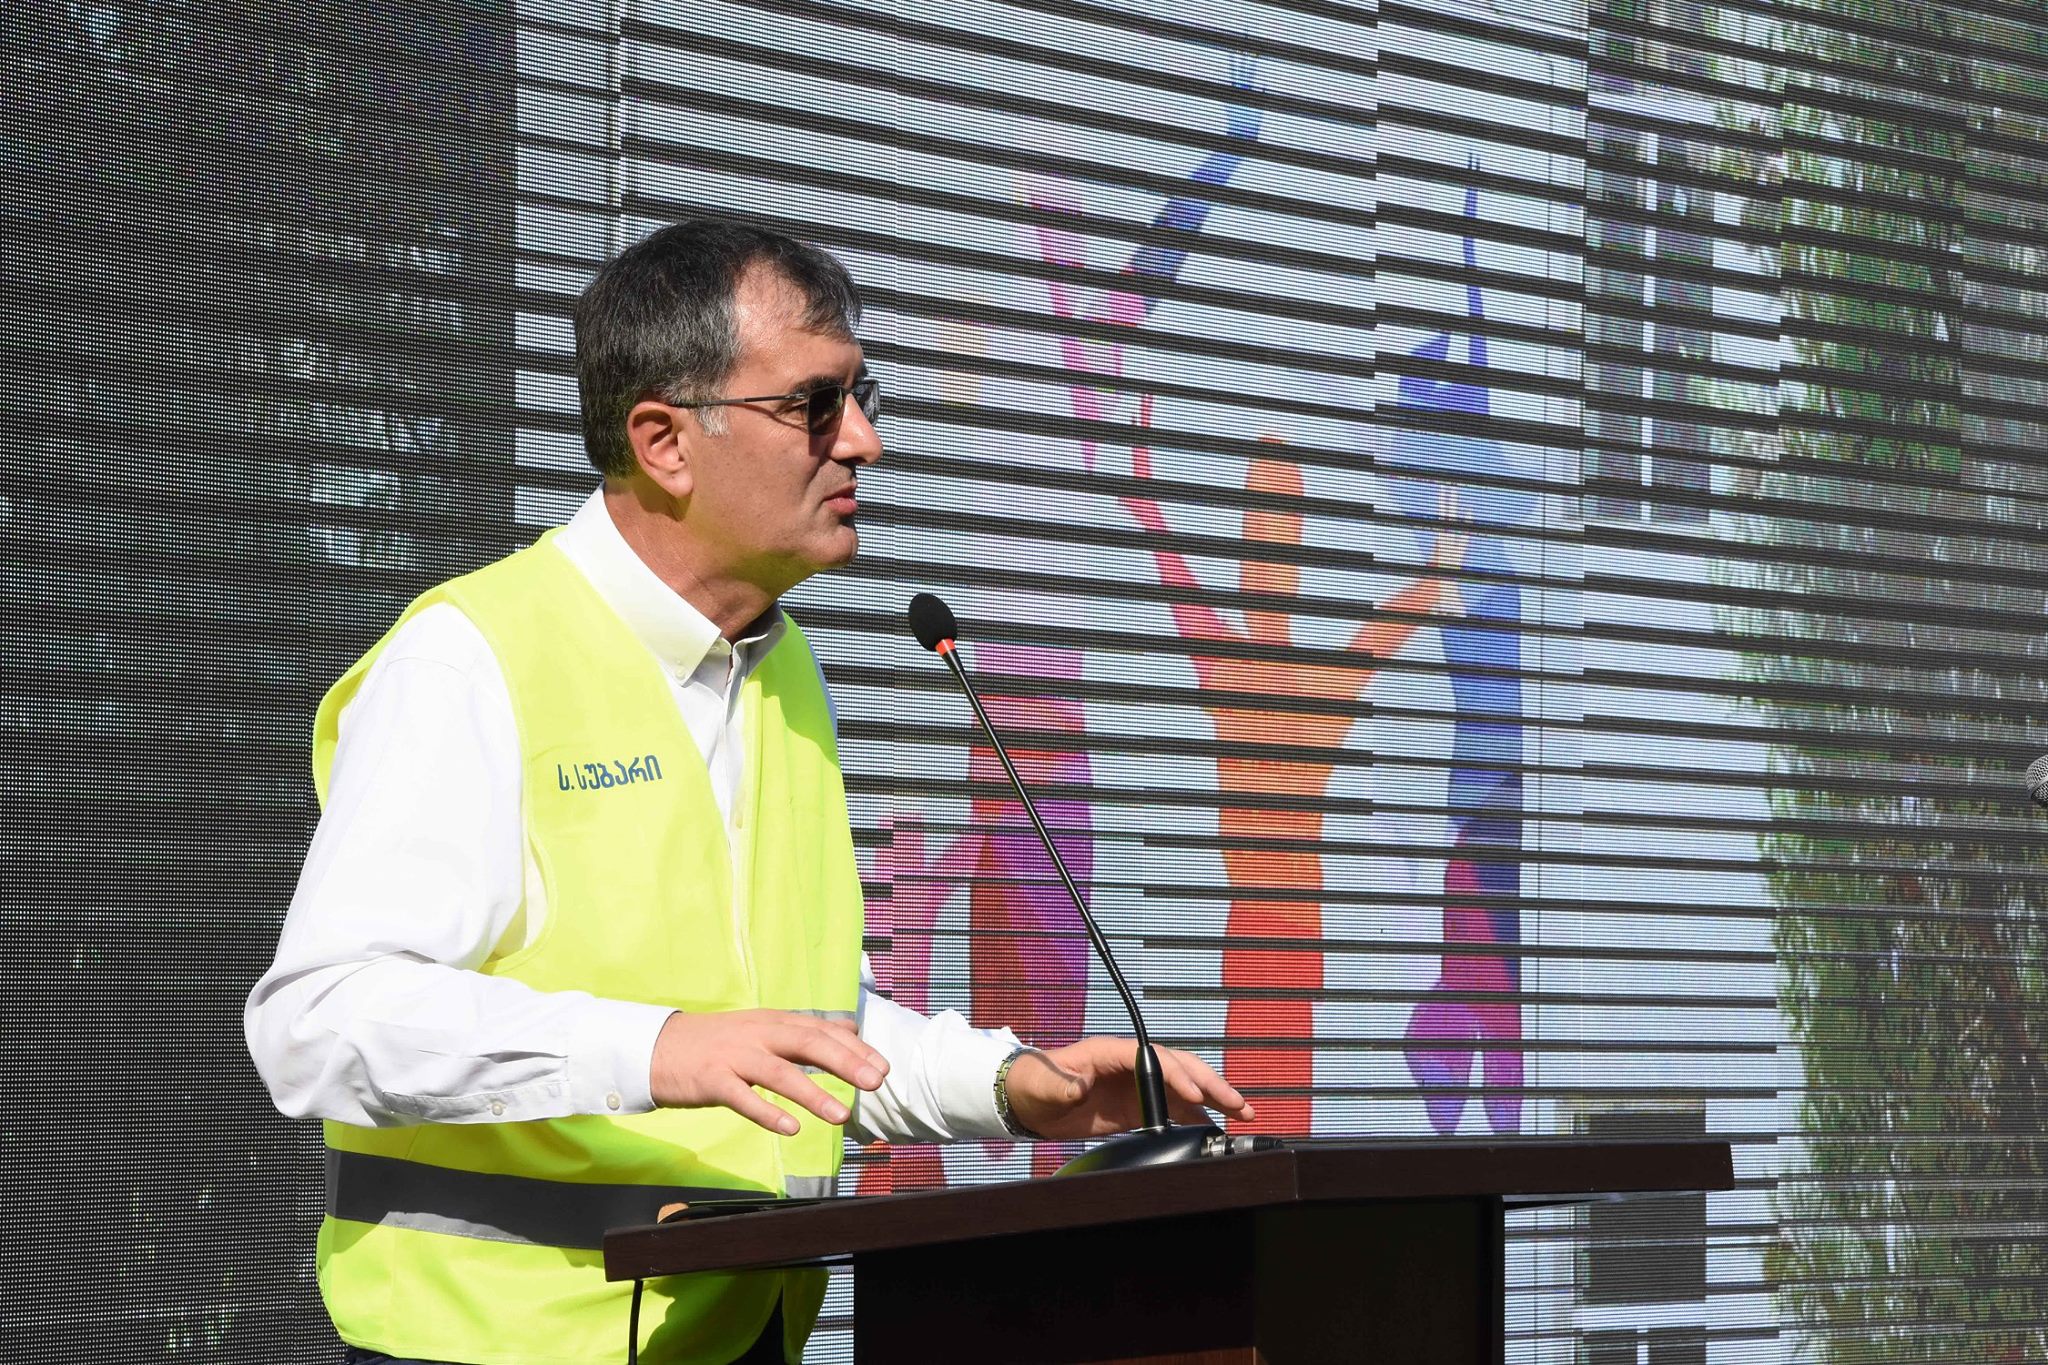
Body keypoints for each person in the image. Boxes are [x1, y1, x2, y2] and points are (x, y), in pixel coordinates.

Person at [246, 219, 1252, 1365]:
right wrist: (654, 1048)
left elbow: (792, 1030)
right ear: (665, 442)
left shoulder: (782, 669)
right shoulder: (468, 658)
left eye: (860, 396)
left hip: (740, 1336)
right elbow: (317, 1024)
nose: (863, 441)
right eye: (814, 405)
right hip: (488, 1346)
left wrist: (1015, 1085)